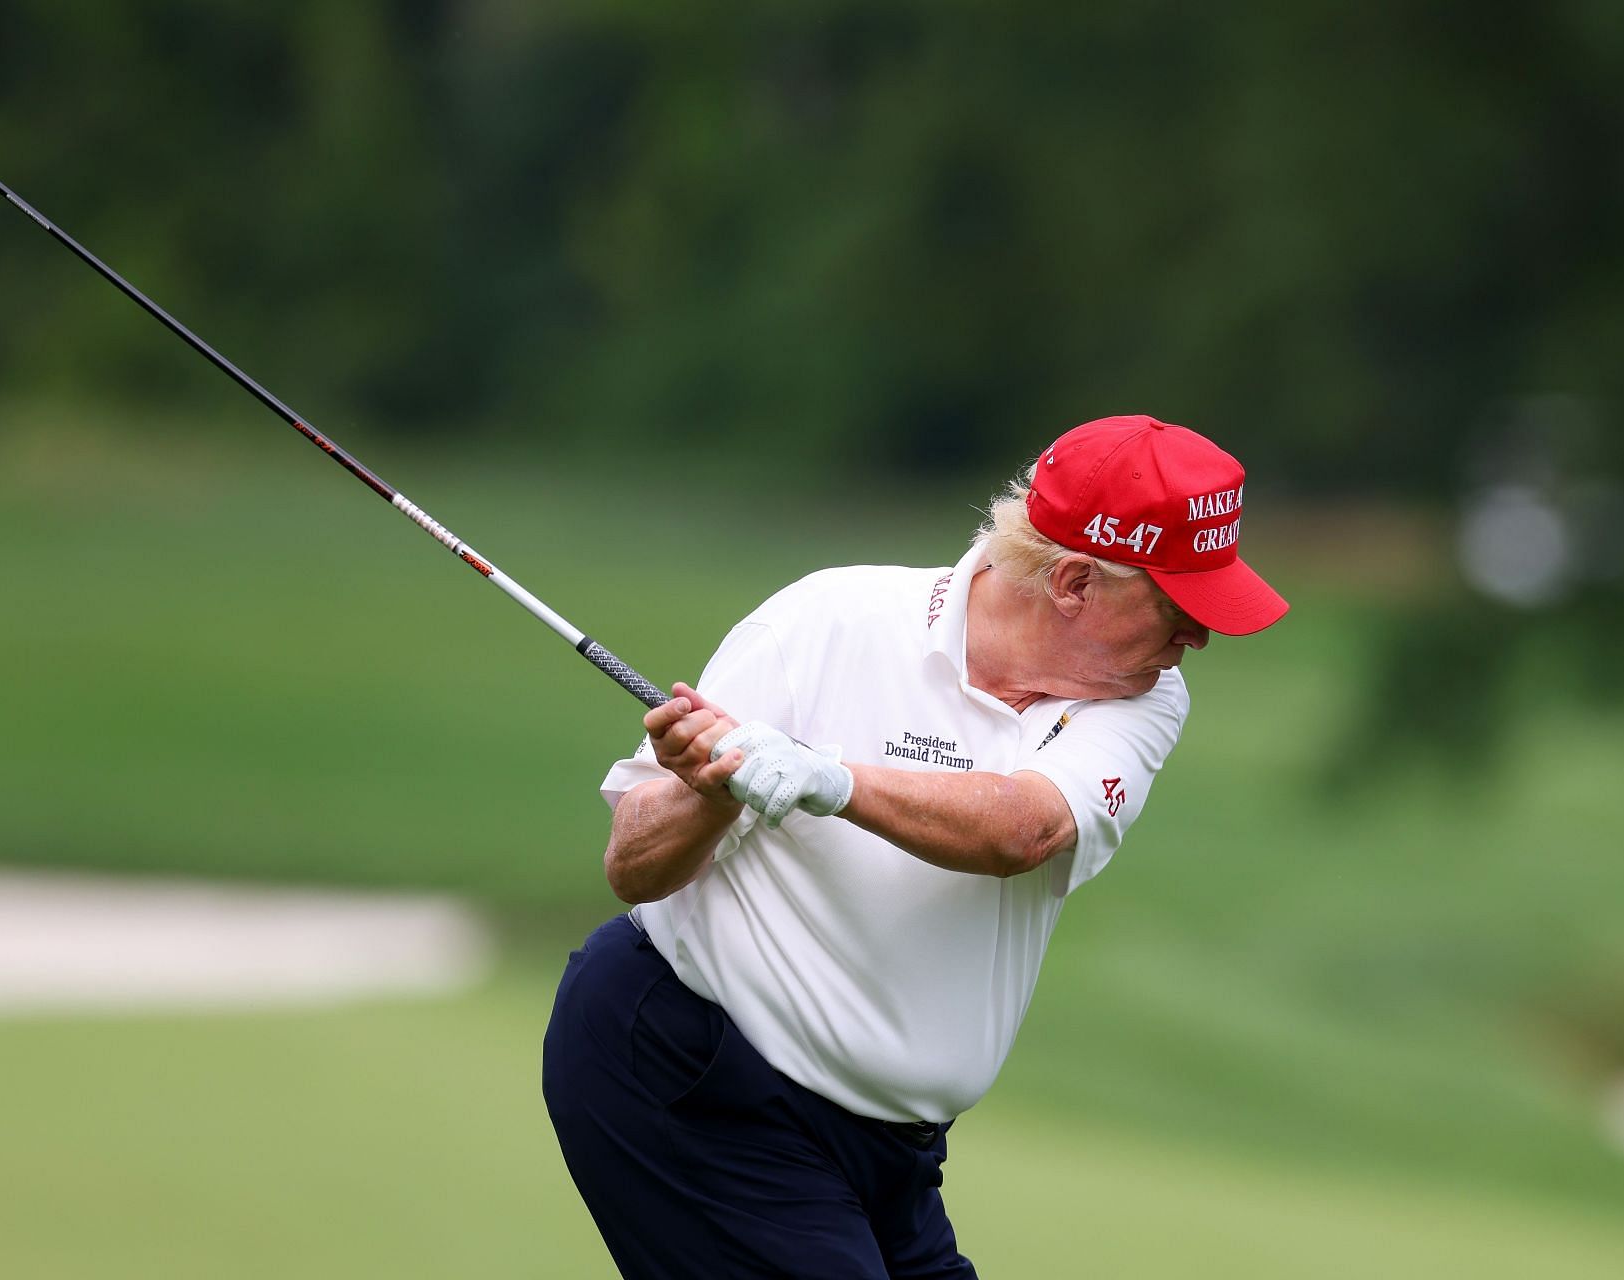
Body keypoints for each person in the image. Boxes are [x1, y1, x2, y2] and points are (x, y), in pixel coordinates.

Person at [542, 415, 1288, 1278]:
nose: (1196, 638)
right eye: (1176, 608)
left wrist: (827, 776)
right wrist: (708, 792)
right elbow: (633, 868)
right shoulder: (831, 622)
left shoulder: (1143, 695)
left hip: (893, 1156)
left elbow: (1024, 827)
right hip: (693, 1079)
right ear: (1076, 582)